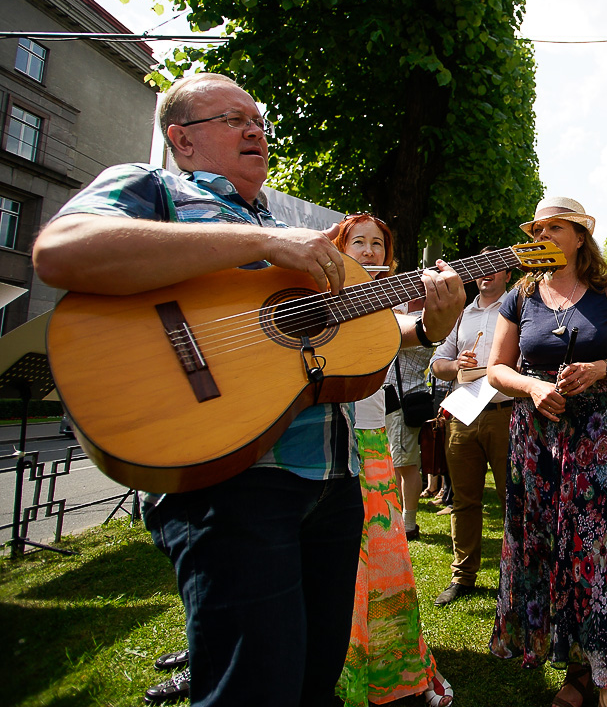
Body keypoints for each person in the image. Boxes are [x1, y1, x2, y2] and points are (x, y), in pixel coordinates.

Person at [31, 73, 465, 707]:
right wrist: (261, 242)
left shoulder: (286, 226)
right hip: (231, 479)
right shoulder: (155, 186)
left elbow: (335, 337)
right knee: (252, 689)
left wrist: (428, 324)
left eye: (258, 120)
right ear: (181, 138)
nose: (254, 129)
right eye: (233, 118)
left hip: (333, 482)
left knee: (314, 681)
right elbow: (62, 249)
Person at [487, 197, 607, 707]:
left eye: (555, 227)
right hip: (536, 436)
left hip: (598, 435)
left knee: (596, 548)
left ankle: (606, 675)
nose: (543, 235)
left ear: (580, 236)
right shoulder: (520, 295)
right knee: (545, 546)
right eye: (538, 228)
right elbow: (496, 369)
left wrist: (600, 370)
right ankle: (574, 669)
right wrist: (533, 388)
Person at [332, 213, 453, 707]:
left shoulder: (386, 306)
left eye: (376, 245)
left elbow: (411, 331)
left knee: (380, 555)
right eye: (356, 242)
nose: (367, 251)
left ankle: (384, 662)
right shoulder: (308, 296)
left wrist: (432, 322)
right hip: (314, 442)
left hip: (369, 438)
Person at [430, 248, 514, 606]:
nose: (486, 274)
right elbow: (437, 363)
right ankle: (463, 575)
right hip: (464, 414)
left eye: (495, 268)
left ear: (507, 275)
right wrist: (456, 367)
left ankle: (520, 576)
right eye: (480, 268)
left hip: (505, 412)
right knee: (464, 501)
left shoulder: (519, 308)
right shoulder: (461, 315)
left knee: (516, 498)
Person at [387, 296, 436, 541]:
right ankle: (393, 518)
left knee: (405, 464)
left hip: (404, 401)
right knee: (391, 463)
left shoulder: (426, 321)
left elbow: (398, 339)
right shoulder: (397, 315)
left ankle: (408, 523)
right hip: (387, 400)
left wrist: (391, 316)